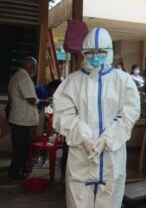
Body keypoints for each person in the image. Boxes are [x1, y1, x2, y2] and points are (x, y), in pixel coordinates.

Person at [53, 27, 140, 208]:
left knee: (110, 201)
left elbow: (129, 114)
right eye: (90, 52)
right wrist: (83, 137)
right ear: (84, 53)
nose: (95, 56)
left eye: (100, 51)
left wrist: (106, 139)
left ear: (109, 52)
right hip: (80, 155)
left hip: (111, 155)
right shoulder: (73, 81)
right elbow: (63, 113)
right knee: (78, 201)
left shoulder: (123, 81)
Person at [7, 56, 49, 180]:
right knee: (21, 148)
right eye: (35, 67)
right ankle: (15, 173)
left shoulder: (16, 76)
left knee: (18, 147)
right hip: (22, 120)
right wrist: (43, 102)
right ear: (31, 67)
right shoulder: (24, 78)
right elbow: (31, 99)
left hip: (18, 117)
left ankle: (16, 169)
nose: (35, 69)